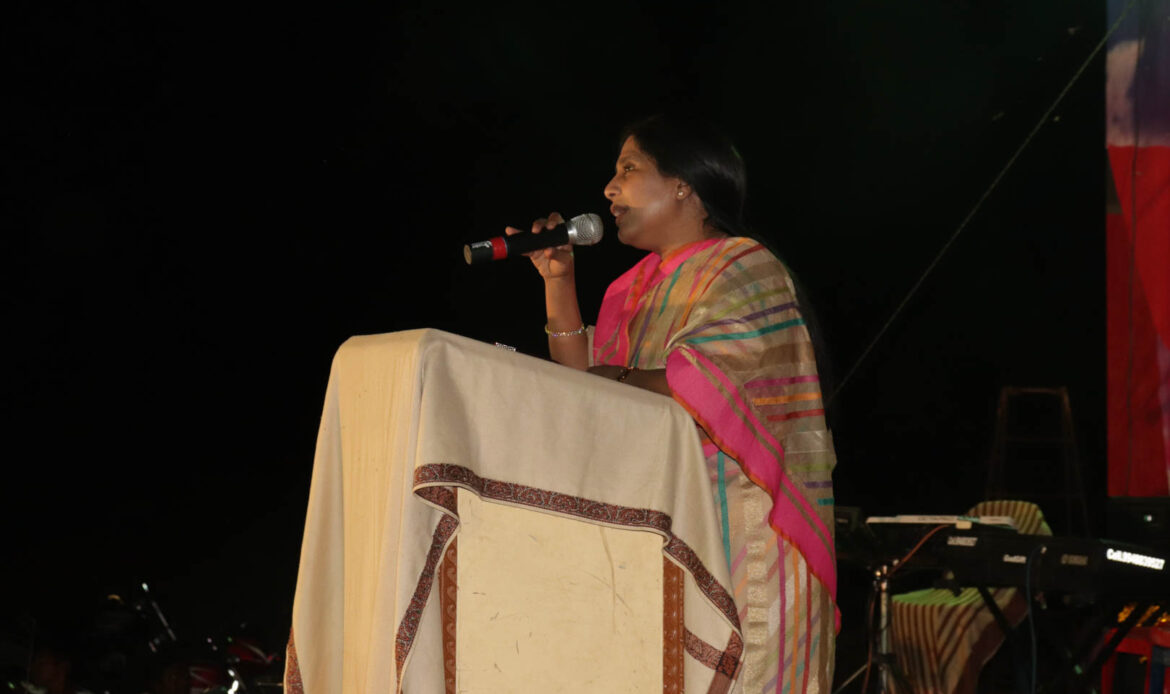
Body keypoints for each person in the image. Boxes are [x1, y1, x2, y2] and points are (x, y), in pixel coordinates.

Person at [508, 115, 838, 693]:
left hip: (745, 548)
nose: (609, 188)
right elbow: (589, 395)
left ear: (684, 182)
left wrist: (615, 377)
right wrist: (558, 283)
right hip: (664, 540)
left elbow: (701, 383)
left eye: (629, 169)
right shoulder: (630, 289)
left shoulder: (745, 266)